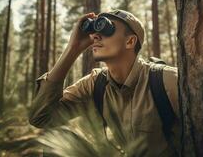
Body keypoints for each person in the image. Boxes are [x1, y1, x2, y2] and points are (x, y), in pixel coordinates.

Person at [29, 9, 179, 156]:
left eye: (106, 28)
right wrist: (73, 49)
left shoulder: (167, 80)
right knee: (59, 141)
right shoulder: (95, 83)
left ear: (130, 41)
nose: (95, 36)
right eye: (94, 29)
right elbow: (41, 118)